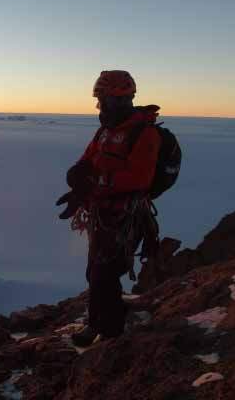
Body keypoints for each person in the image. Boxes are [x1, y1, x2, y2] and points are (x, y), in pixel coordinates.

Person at [57, 70, 162, 347]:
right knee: (96, 270)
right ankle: (97, 323)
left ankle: (112, 332)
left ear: (118, 100)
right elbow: (89, 160)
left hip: (126, 215)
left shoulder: (145, 132)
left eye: (102, 100)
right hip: (102, 212)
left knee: (105, 271)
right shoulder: (106, 131)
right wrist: (78, 188)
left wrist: (96, 182)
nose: (98, 106)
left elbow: (140, 178)